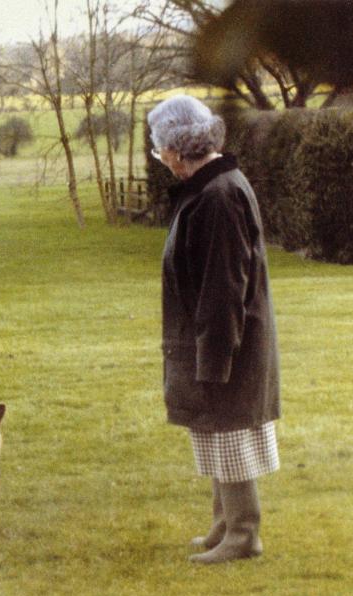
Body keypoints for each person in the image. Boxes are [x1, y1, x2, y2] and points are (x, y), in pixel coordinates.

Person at [147, 95, 280, 563]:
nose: (160, 158)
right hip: (221, 339)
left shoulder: (217, 196)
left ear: (176, 150)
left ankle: (243, 534)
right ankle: (224, 525)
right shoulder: (212, 187)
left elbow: (223, 289)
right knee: (219, 434)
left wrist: (215, 359)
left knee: (227, 431)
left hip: (227, 342)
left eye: (160, 148)